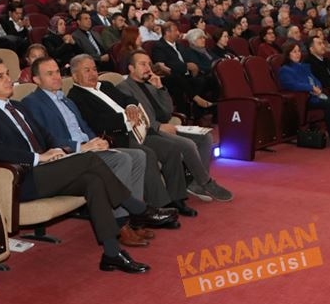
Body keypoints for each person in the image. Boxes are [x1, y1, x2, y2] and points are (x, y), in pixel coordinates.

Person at [0, 58, 176, 273]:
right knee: (88, 159)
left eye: (7, 74)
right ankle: (138, 208)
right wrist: (40, 157)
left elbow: (47, 136)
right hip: (21, 179)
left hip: (46, 170)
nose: (8, 79)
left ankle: (112, 254)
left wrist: (59, 150)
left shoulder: (18, 107)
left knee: (93, 181)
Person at [19, 57, 153, 247]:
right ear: (36, 80)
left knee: (138, 156)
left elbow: (84, 128)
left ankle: (135, 220)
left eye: (57, 72)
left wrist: (97, 141)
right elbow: (46, 138)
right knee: (123, 160)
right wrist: (80, 147)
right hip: (69, 155)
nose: (56, 77)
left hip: (88, 148)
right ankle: (121, 224)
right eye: (49, 74)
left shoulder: (65, 100)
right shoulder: (32, 103)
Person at [66, 54, 199, 216]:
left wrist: (130, 106)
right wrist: (126, 118)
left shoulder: (106, 85)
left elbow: (128, 98)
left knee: (172, 149)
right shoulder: (76, 97)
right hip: (118, 136)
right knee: (147, 154)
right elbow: (96, 122)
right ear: (75, 76)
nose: (93, 73)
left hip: (139, 130)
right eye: (87, 70)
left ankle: (177, 198)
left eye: (94, 69)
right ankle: (159, 205)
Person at [118, 50, 233, 202]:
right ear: (131, 68)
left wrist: (160, 89)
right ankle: (206, 182)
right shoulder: (124, 88)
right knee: (188, 144)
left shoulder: (151, 85)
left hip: (164, 126)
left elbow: (167, 112)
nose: (148, 68)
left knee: (206, 137)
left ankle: (195, 183)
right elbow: (135, 117)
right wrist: (158, 126)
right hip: (150, 132)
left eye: (149, 64)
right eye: (142, 64)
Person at [277, 42, 330, 148]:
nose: (298, 54)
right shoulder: (285, 70)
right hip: (306, 98)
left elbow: (315, 79)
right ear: (288, 54)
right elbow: (292, 84)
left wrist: (317, 87)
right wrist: (310, 88)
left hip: (316, 94)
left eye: (299, 51)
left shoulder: (303, 66)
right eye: (294, 52)